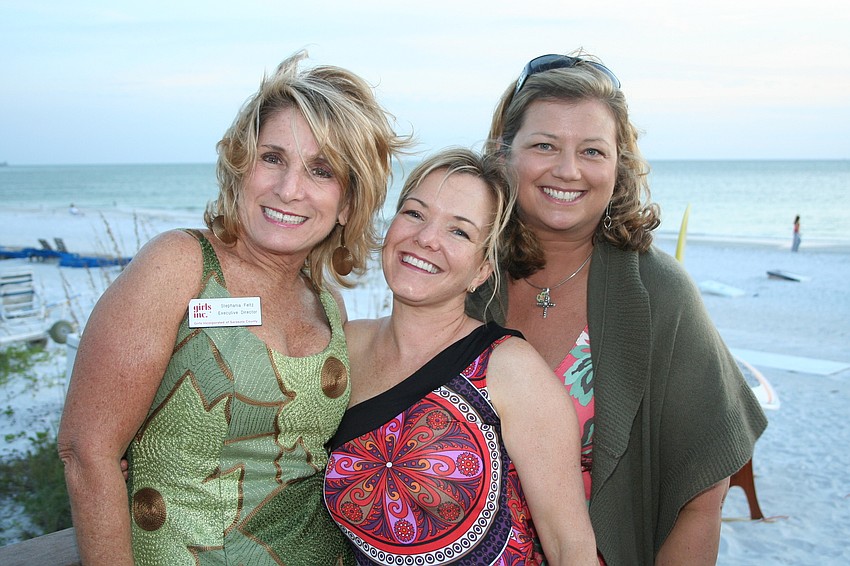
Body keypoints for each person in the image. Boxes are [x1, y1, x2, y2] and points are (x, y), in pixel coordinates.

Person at [57, 50, 410, 566]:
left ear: (349, 203)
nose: (289, 189)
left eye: (321, 170)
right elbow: (86, 454)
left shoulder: (328, 300)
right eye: (272, 158)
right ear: (240, 166)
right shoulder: (179, 266)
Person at [467, 53, 768, 565]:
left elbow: (702, 494)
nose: (568, 170)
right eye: (544, 145)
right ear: (504, 154)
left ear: (618, 165)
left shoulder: (656, 292)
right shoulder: (467, 275)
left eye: (592, 151)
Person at [323, 148, 598, 564]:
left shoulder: (509, 370)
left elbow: (569, 547)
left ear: (482, 271)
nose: (426, 238)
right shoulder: (345, 346)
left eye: (459, 232)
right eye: (415, 213)